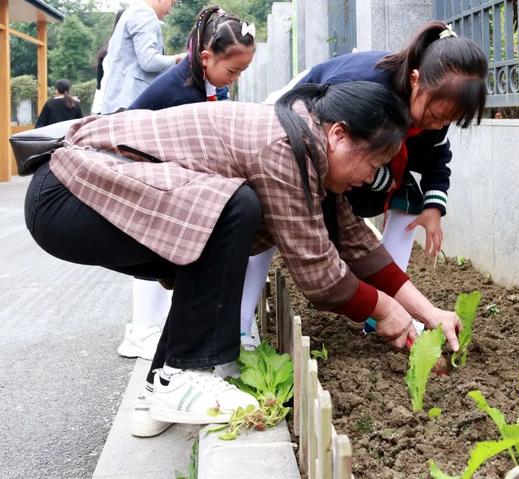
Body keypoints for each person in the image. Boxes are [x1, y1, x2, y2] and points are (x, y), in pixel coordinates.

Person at [24, 81, 461, 436]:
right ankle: (182, 374)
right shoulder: (283, 148)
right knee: (236, 209)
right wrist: (385, 310)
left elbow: (357, 245)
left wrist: (425, 313)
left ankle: (158, 389)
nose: (371, 178)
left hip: (75, 196)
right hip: (68, 194)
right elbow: (320, 277)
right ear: (339, 134)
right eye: (374, 162)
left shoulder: (309, 147)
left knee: (212, 235)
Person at [249, 21, 488, 334]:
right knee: (268, 211)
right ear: (415, 80)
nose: (437, 124)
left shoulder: (433, 112)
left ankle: (387, 316)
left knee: (403, 205)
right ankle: (242, 322)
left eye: (447, 120)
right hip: (297, 135)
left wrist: (432, 207)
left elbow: (438, 156)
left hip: (356, 165)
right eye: (435, 115)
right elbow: (320, 137)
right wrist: (375, 178)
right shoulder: (365, 85)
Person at [128, 6, 257, 355]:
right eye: (232, 70)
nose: (235, 78)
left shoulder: (209, 81)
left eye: (242, 71)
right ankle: (141, 329)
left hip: (174, 170)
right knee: (159, 244)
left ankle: (156, 327)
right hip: (145, 168)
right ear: (205, 57)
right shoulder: (178, 92)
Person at [98, 0, 182, 361]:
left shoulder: (129, 16)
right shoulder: (144, 15)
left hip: (118, 117)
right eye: (172, 1)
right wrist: (179, 61)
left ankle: (147, 325)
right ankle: (144, 329)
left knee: (143, 222)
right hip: (132, 122)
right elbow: (150, 62)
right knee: (148, 222)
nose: (172, 8)